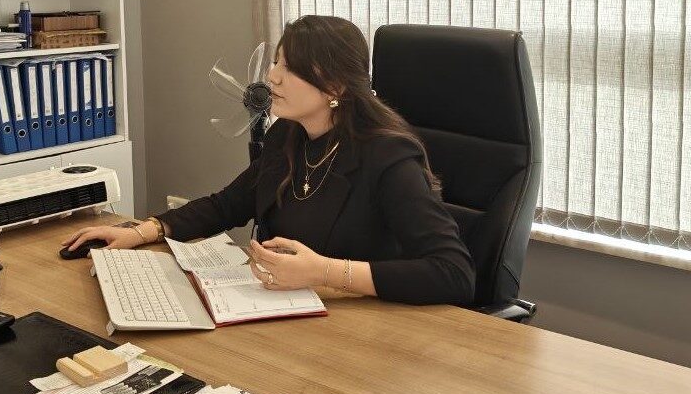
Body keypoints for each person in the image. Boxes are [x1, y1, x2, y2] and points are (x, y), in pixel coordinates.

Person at [62, 15, 476, 306]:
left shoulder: (389, 157)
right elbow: (227, 205)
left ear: (335, 85)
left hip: (368, 330)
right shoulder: (287, 136)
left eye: (289, 67)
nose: (272, 76)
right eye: (277, 61)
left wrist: (324, 271)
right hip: (287, 310)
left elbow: (454, 274)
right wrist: (142, 231)